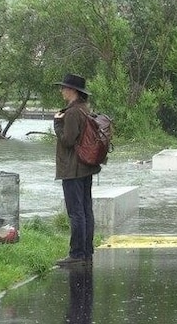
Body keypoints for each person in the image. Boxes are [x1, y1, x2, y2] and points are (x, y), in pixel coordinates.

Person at [53, 73, 102, 266]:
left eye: (64, 88)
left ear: (73, 91)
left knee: (76, 212)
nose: (62, 91)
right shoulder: (84, 109)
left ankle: (76, 253)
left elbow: (67, 140)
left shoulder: (72, 113)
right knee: (86, 210)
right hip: (86, 167)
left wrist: (57, 122)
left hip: (73, 169)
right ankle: (87, 251)